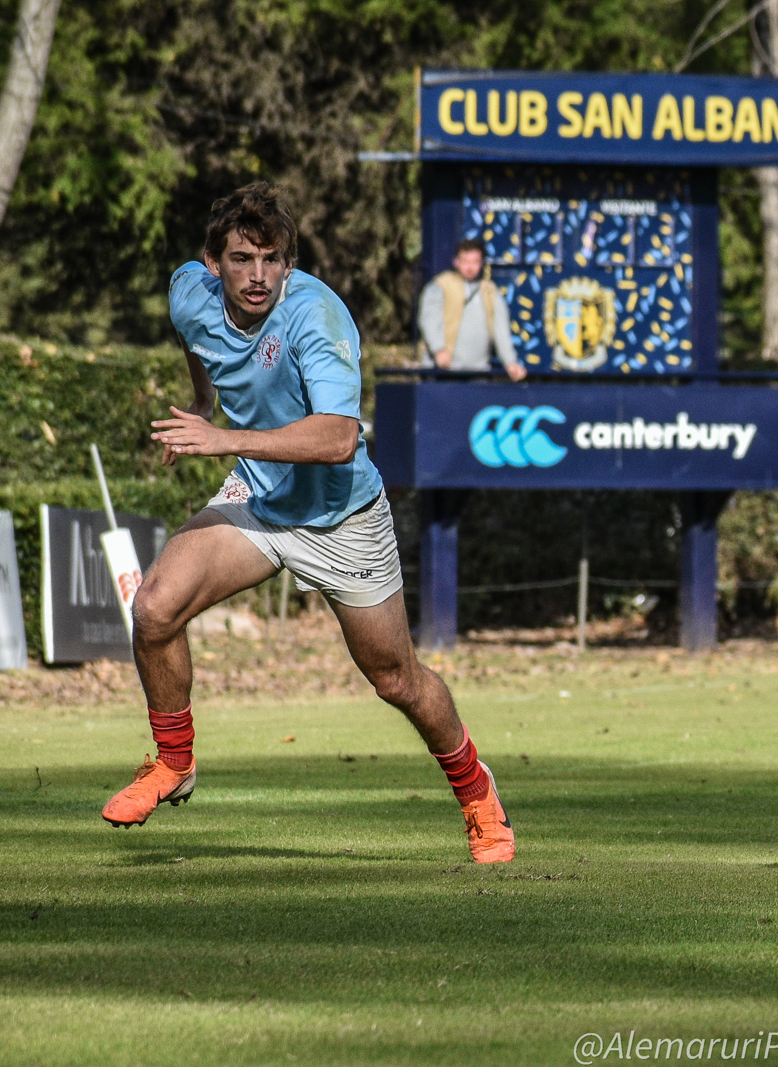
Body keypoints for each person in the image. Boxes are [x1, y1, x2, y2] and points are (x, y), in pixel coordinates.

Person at [100, 183, 515, 864]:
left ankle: (477, 792)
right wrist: (203, 405)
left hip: (340, 517)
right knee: (153, 607)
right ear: (213, 263)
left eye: (272, 259)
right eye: (242, 258)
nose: (258, 275)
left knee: (396, 680)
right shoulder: (188, 292)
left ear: (288, 263)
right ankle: (174, 760)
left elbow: (336, 440)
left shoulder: (315, 316)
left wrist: (224, 438)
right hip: (262, 501)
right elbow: (196, 341)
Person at [418, 238, 528, 380]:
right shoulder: (441, 286)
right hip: (443, 371)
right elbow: (429, 320)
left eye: (475, 262)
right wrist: (438, 349)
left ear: (481, 263)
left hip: (479, 373)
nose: (470, 267)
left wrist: (510, 362)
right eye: (465, 261)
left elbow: (501, 331)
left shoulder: (489, 291)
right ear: (456, 262)